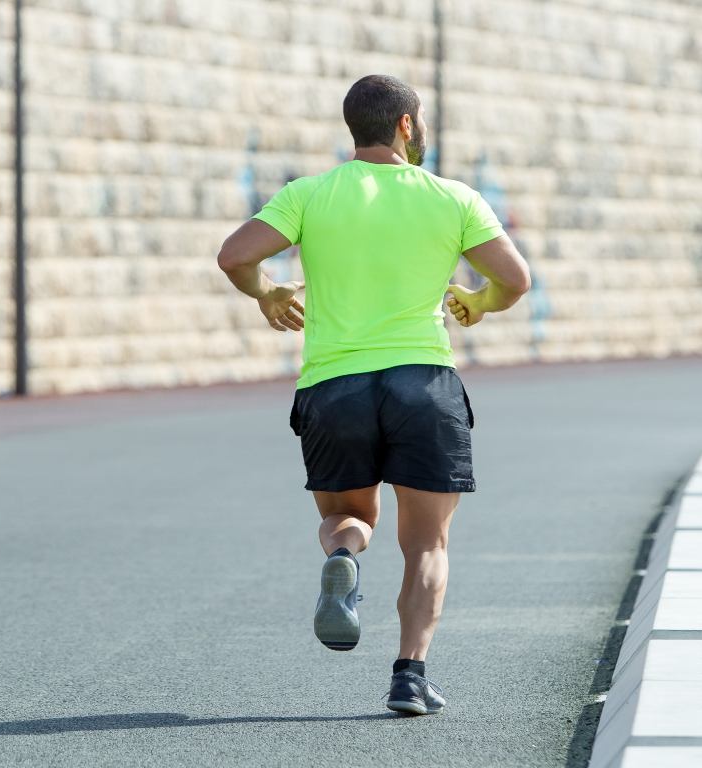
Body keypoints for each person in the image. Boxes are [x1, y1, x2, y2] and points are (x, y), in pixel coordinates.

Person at [215, 74, 532, 715]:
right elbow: (515, 280)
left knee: (347, 517)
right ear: (407, 126)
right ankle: (410, 675)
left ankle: (345, 558)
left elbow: (233, 255)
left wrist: (268, 292)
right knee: (427, 546)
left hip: (335, 387)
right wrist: (480, 301)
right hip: (424, 384)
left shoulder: (310, 194)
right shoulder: (453, 199)